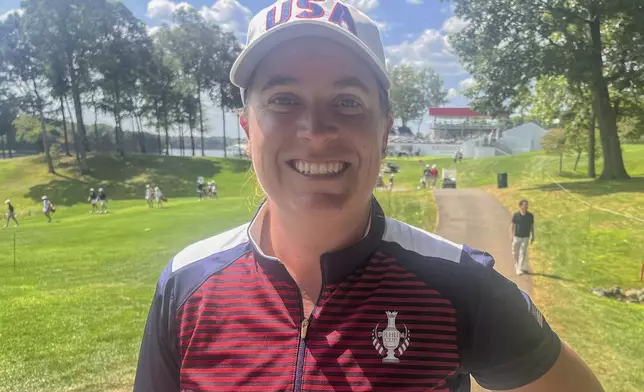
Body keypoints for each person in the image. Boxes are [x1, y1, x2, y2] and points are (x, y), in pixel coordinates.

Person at [133, 2, 604, 392]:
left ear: (384, 132)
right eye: (283, 99)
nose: (315, 131)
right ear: (247, 129)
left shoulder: (459, 282)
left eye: (348, 102)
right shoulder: (185, 284)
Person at [511, 199, 535, 275]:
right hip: (516, 237)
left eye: (527, 205)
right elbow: (512, 226)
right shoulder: (516, 215)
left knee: (522, 253)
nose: (526, 206)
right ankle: (517, 264)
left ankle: (519, 268)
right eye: (524, 205)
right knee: (515, 252)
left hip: (525, 237)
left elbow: (532, 227)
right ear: (521, 206)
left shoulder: (530, 216)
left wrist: (533, 236)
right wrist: (511, 236)